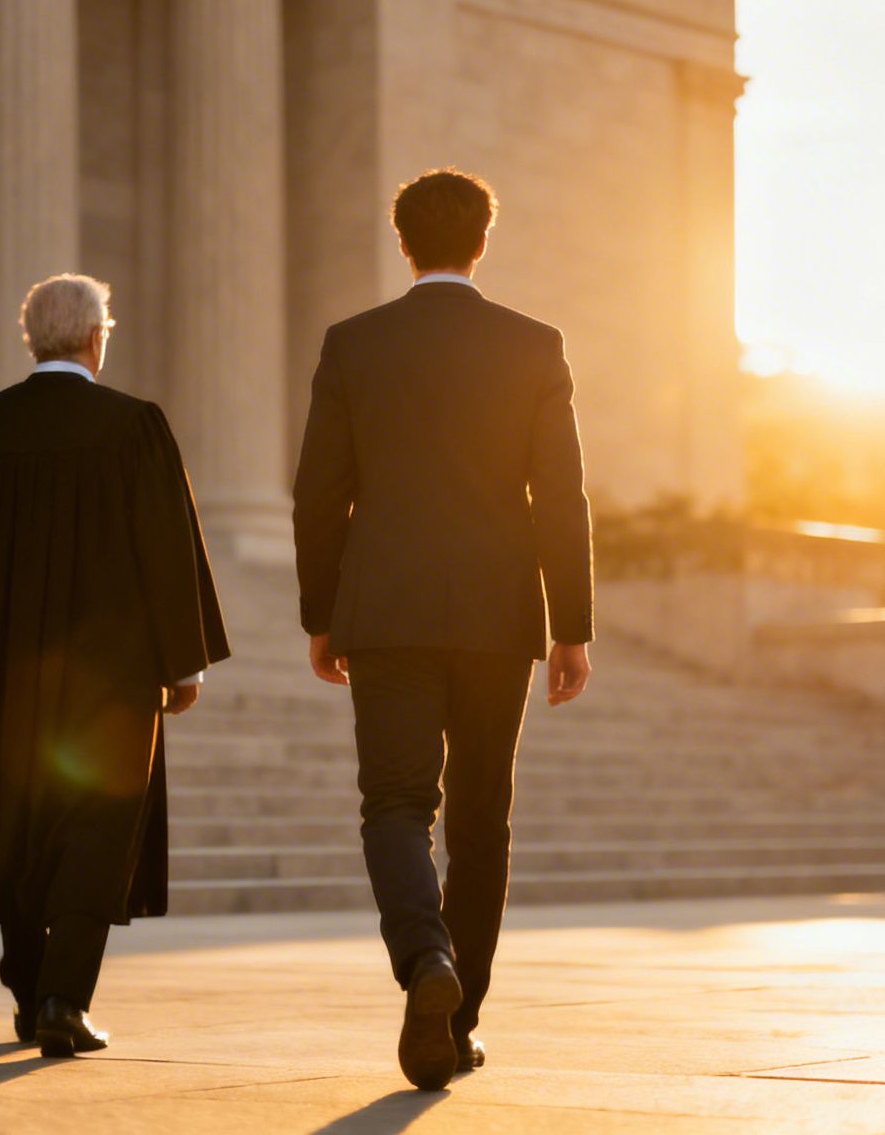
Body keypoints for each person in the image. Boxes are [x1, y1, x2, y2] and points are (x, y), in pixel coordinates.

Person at [292, 169, 595, 1090]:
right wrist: (571, 625)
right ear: (483, 242)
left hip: (384, 610)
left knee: (393, 803)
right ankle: (457, 1024)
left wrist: (320, 613)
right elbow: (562, 497)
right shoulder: (533, 345)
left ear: (403, 242)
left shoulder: (355, 344)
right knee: (480, 821)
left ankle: (426, 960)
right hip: (499, 614)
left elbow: (316, 494)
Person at [0, 273, 229, 1058]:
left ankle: (28, 986)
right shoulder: (135, 427)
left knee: (15, 818)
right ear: (95, 339)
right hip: (113, 677)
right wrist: (184, 663)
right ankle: (61, 999)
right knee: (99, 826)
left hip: (6, 671)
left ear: (31, 340)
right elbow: (168, 553)